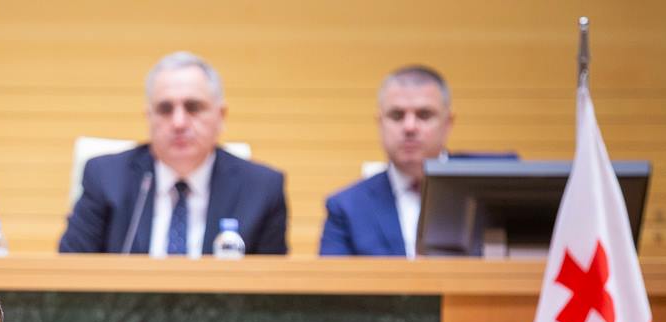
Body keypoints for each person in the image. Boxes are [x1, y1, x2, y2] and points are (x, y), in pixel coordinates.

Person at [58, 51, 288, 256]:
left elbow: (274, 285)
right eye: (165, 109)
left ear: (221, 115)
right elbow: (70, 270)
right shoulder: (106, 178)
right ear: (149, 117)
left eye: (193, 107)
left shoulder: (261, 189)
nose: (179, 123)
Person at [319, 65, 454, 257]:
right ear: (380, 123)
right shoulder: (346, 207)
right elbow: (331, 276)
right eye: (397, 116)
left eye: (424, 115)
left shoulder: (488, 188)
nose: (409, 127)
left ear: (448, 123)